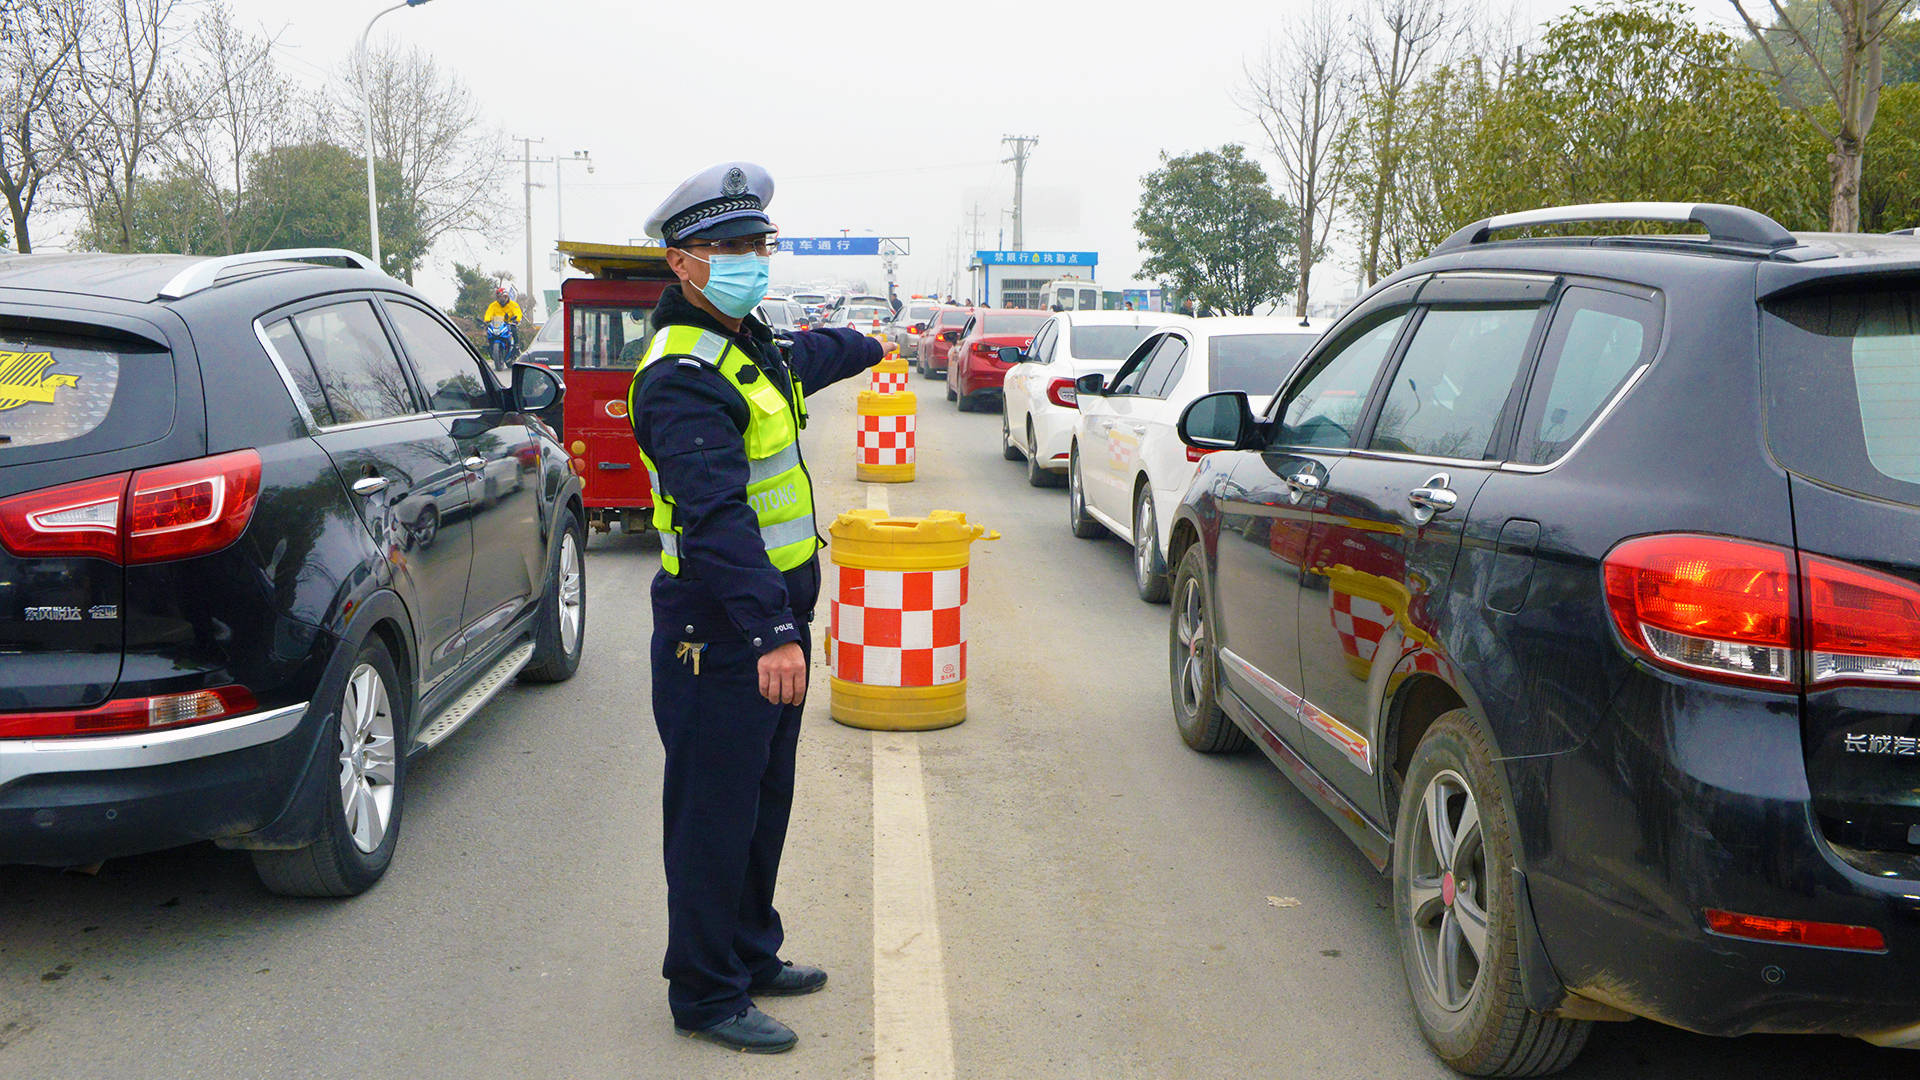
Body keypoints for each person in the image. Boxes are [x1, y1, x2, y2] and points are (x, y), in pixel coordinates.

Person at [627, 161, 888, 1055]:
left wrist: (865, 344)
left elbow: (797, 364)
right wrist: (771, 630)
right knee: (713, 813)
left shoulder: (741, 340)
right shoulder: (681, 374)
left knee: (760, 803)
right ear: (681, 264)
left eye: (756, 245)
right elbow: (715, 517)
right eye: (729, 248)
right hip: (722, 630)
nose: (749, 259)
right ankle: (704, 992)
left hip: (765, 624)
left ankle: (748, 950)